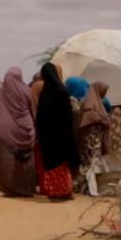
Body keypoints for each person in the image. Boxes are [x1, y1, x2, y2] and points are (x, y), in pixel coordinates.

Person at [37, 63, 80, 200]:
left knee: (53, 164)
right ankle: (64, 191)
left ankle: (56, 192)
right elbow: (67, 117)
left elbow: (40, 117)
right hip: (61, 135)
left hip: (48, 137)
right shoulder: (62, 92)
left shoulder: (45, 94)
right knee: (61, 164)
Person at [0, 67, 36, 197]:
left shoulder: (2, 92)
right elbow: (31, 108)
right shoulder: (27, 90)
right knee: (26, 161)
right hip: (25, 129)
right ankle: (25, 187)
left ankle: (9, 188)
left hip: (7, 131)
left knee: (7, 161)